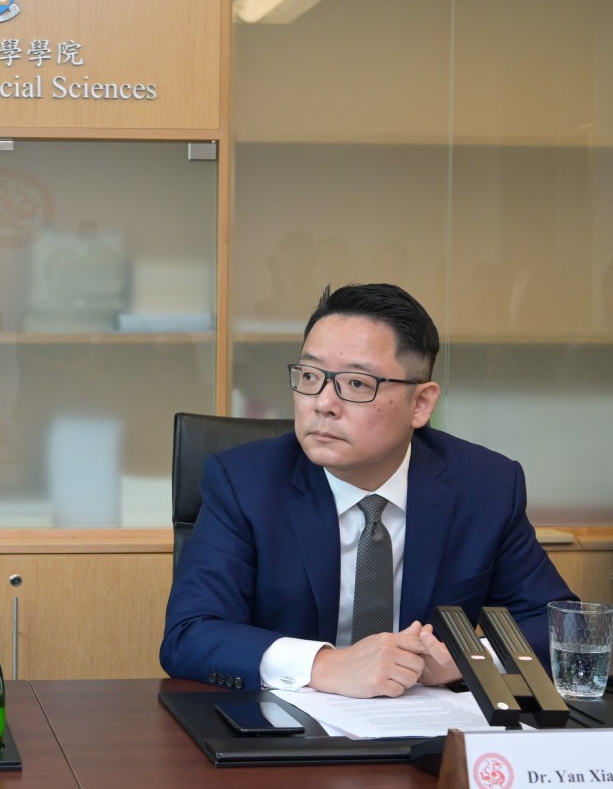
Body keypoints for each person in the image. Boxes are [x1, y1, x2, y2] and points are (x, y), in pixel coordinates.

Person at [161, 283, 575, 698]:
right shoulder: (244, 482)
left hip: (428, 725)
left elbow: (560, 627)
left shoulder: (485, 486)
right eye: (310, 376)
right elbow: (191, 633)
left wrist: (470, 657)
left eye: (357, 383)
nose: (322, 403)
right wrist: (326, 665)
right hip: (285, 724)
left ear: (420, 404)